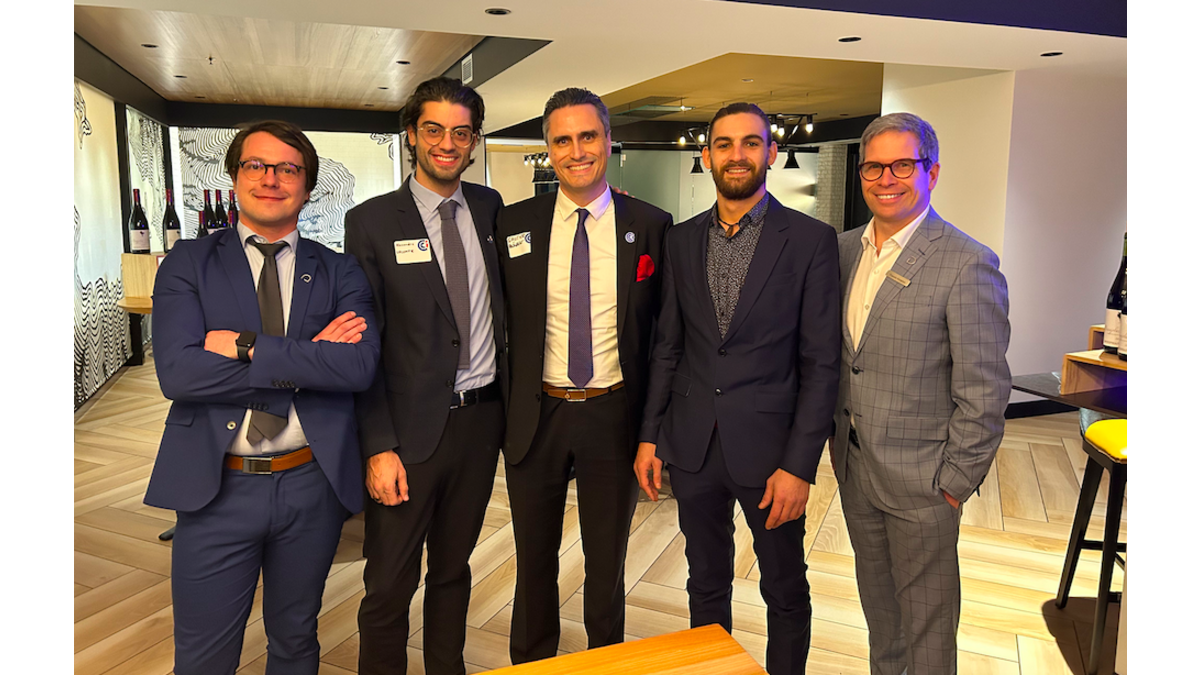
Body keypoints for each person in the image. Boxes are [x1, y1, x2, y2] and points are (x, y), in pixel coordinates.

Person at [145, 119, 380, 675]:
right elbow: (179, 374)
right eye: (256, 165)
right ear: (234, 178)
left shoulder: (340, 269)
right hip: (216, 487)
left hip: (311, 484)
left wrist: (247, 347)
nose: (271, 178)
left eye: (288, 169)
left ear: (308, 186)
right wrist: (309, 359)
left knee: (296, 640)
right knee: (203, 658)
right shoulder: (188, 262)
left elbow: (358, 366)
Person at [635, 102, 841, 674]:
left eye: (750, 143)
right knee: (705, 582)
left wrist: (800, 466)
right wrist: (650, 436)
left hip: (772, 455)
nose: (737, 155)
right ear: (707, 156)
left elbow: (821, 363)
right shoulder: (681, 240)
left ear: (771, 152)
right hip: (693, 445)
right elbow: (668, 348)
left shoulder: (810, 240)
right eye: (723, 144)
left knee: (784, 587)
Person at [831, 112, 1011, 675]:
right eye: (873, 167)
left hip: (926, 485)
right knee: (881, 618)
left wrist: (954, 484)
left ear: (931, 172)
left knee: (927, 630)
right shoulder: (842, 251)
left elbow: (985, 390)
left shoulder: (967, 262)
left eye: (902, 165)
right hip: (855, 470)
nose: (886, 179)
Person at [498, 87, 672, 663]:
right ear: (548, 149)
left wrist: (654, 431)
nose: (576, 151)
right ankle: (532, 663)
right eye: (562, 140)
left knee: (606, 563)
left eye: (588, 136)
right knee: (533, 560)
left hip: (613, 414)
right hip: (536, 414)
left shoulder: (651, 225)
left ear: (608, 140)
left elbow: (663, 337)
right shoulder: (513, 223)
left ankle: (604, 661)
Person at [344, 77, 507, 675]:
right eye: (433, 129)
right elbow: (366, 346)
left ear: (474, 141)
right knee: (389, 582)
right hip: (407, 433)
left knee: (453, 571)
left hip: (481, 423)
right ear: (411, 135)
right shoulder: (370, 222)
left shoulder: (491, 209)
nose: (447, 143)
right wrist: (377, 445)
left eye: (461, 133)